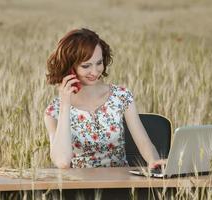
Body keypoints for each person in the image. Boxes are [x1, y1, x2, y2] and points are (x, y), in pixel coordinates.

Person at [44, 28, 164, 169]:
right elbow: (62, 162)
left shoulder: (121, 96)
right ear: (70, 67)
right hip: (79, 188)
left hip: (120, 185)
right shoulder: (54, 111)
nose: (95, 72)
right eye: (86, 66)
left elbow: (144, 142)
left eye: (99, 63)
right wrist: (65, 105)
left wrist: (153, 161)